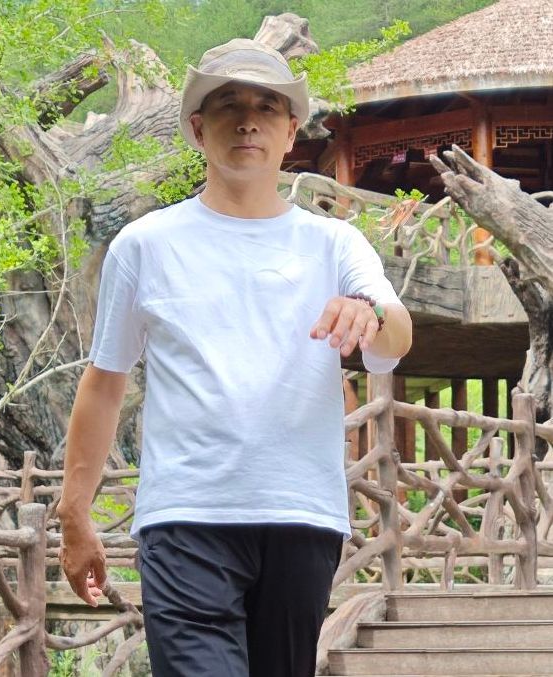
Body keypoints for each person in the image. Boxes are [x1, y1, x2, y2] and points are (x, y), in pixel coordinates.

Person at [58, 38, 412, 677]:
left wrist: (373, 315)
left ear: (291, 131)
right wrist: (74, 513)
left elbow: (397, 336)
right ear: (198, 128)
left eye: (267, 107)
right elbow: (105, 381)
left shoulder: (335, 243)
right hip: (185, 516)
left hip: (301, 513)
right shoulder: (144, 245)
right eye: (229, 105)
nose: (249, 120)